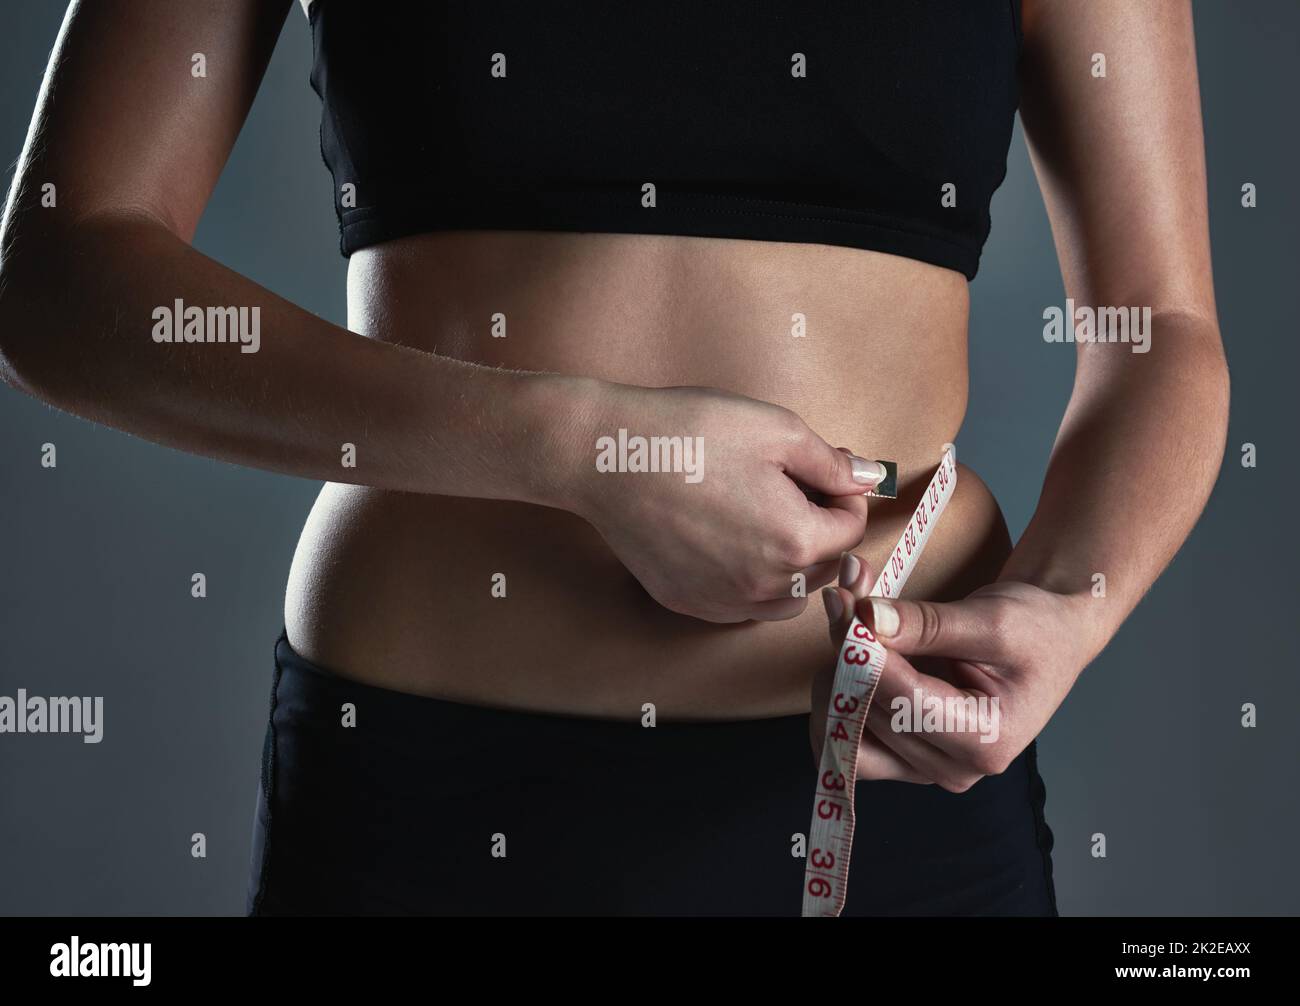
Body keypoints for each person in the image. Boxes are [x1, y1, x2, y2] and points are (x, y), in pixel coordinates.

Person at [0, 1, 1227, 915]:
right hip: (428, 786)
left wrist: (1067, 608)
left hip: (894, 789)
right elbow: (62, 272)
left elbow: (1160, 325)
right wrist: (578, 449)